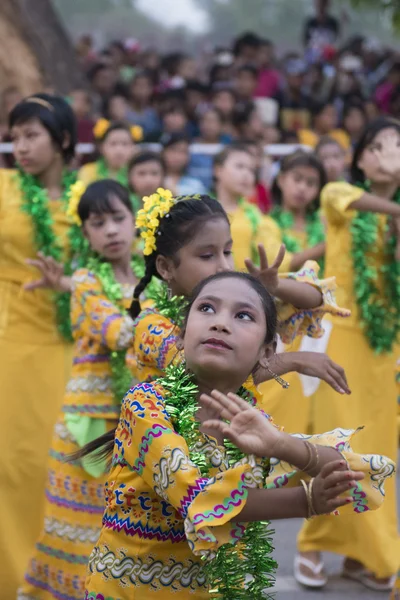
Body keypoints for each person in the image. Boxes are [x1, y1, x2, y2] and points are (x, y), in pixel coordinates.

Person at [81, 269, 393, 599]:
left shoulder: (249, 417)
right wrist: (305, 501)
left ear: (267, 352)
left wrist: (282, 445)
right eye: (206, 309)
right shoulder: (146, 405)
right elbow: (197, 498)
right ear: (182, 334)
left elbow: (357, 475)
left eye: (243, 315)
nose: (220, 322)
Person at [17, 180, 150, 600]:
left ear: (135, 222)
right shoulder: (87, 282)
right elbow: (115, 330)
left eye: (118, 218)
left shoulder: (156, 280)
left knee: (128, 532)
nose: (110, 230)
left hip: (141, 428)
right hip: (87, 429)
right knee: (79, 535)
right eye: (98, 222)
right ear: (86, 232)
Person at [296, 118, 400, 591]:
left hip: (384, 348)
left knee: (378, 453)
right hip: (339, 340)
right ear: (362, 158)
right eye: (380, 146)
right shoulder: (341, 193)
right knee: (338, 446)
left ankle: (364, 553)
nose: (390, 153)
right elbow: (349, 204)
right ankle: (312, 545)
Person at [130, 190, 350, 393]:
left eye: (227, 251)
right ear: (166, 267)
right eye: (207, 256)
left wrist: (274, 287)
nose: (224, 266)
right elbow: (210, 370)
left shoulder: (237, 304)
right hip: (166, 434)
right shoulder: (150, 323)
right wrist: (296, 360)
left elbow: (314, 299)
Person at [0, 93, 82, 599]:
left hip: (72, 349)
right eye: (16, 135)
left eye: (32, 135)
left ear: (64, 141)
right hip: (10, 344)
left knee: (65, 465)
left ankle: (60, 580)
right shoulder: (4, 187)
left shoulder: (89, 201)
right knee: (12, 463)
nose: (20, 146)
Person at [78, 120, 139, 187]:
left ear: (134, 147)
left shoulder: (140, 173)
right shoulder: (88, 172)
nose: (119, 150)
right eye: (113, 144)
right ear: (101, 147)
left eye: (125, 144)